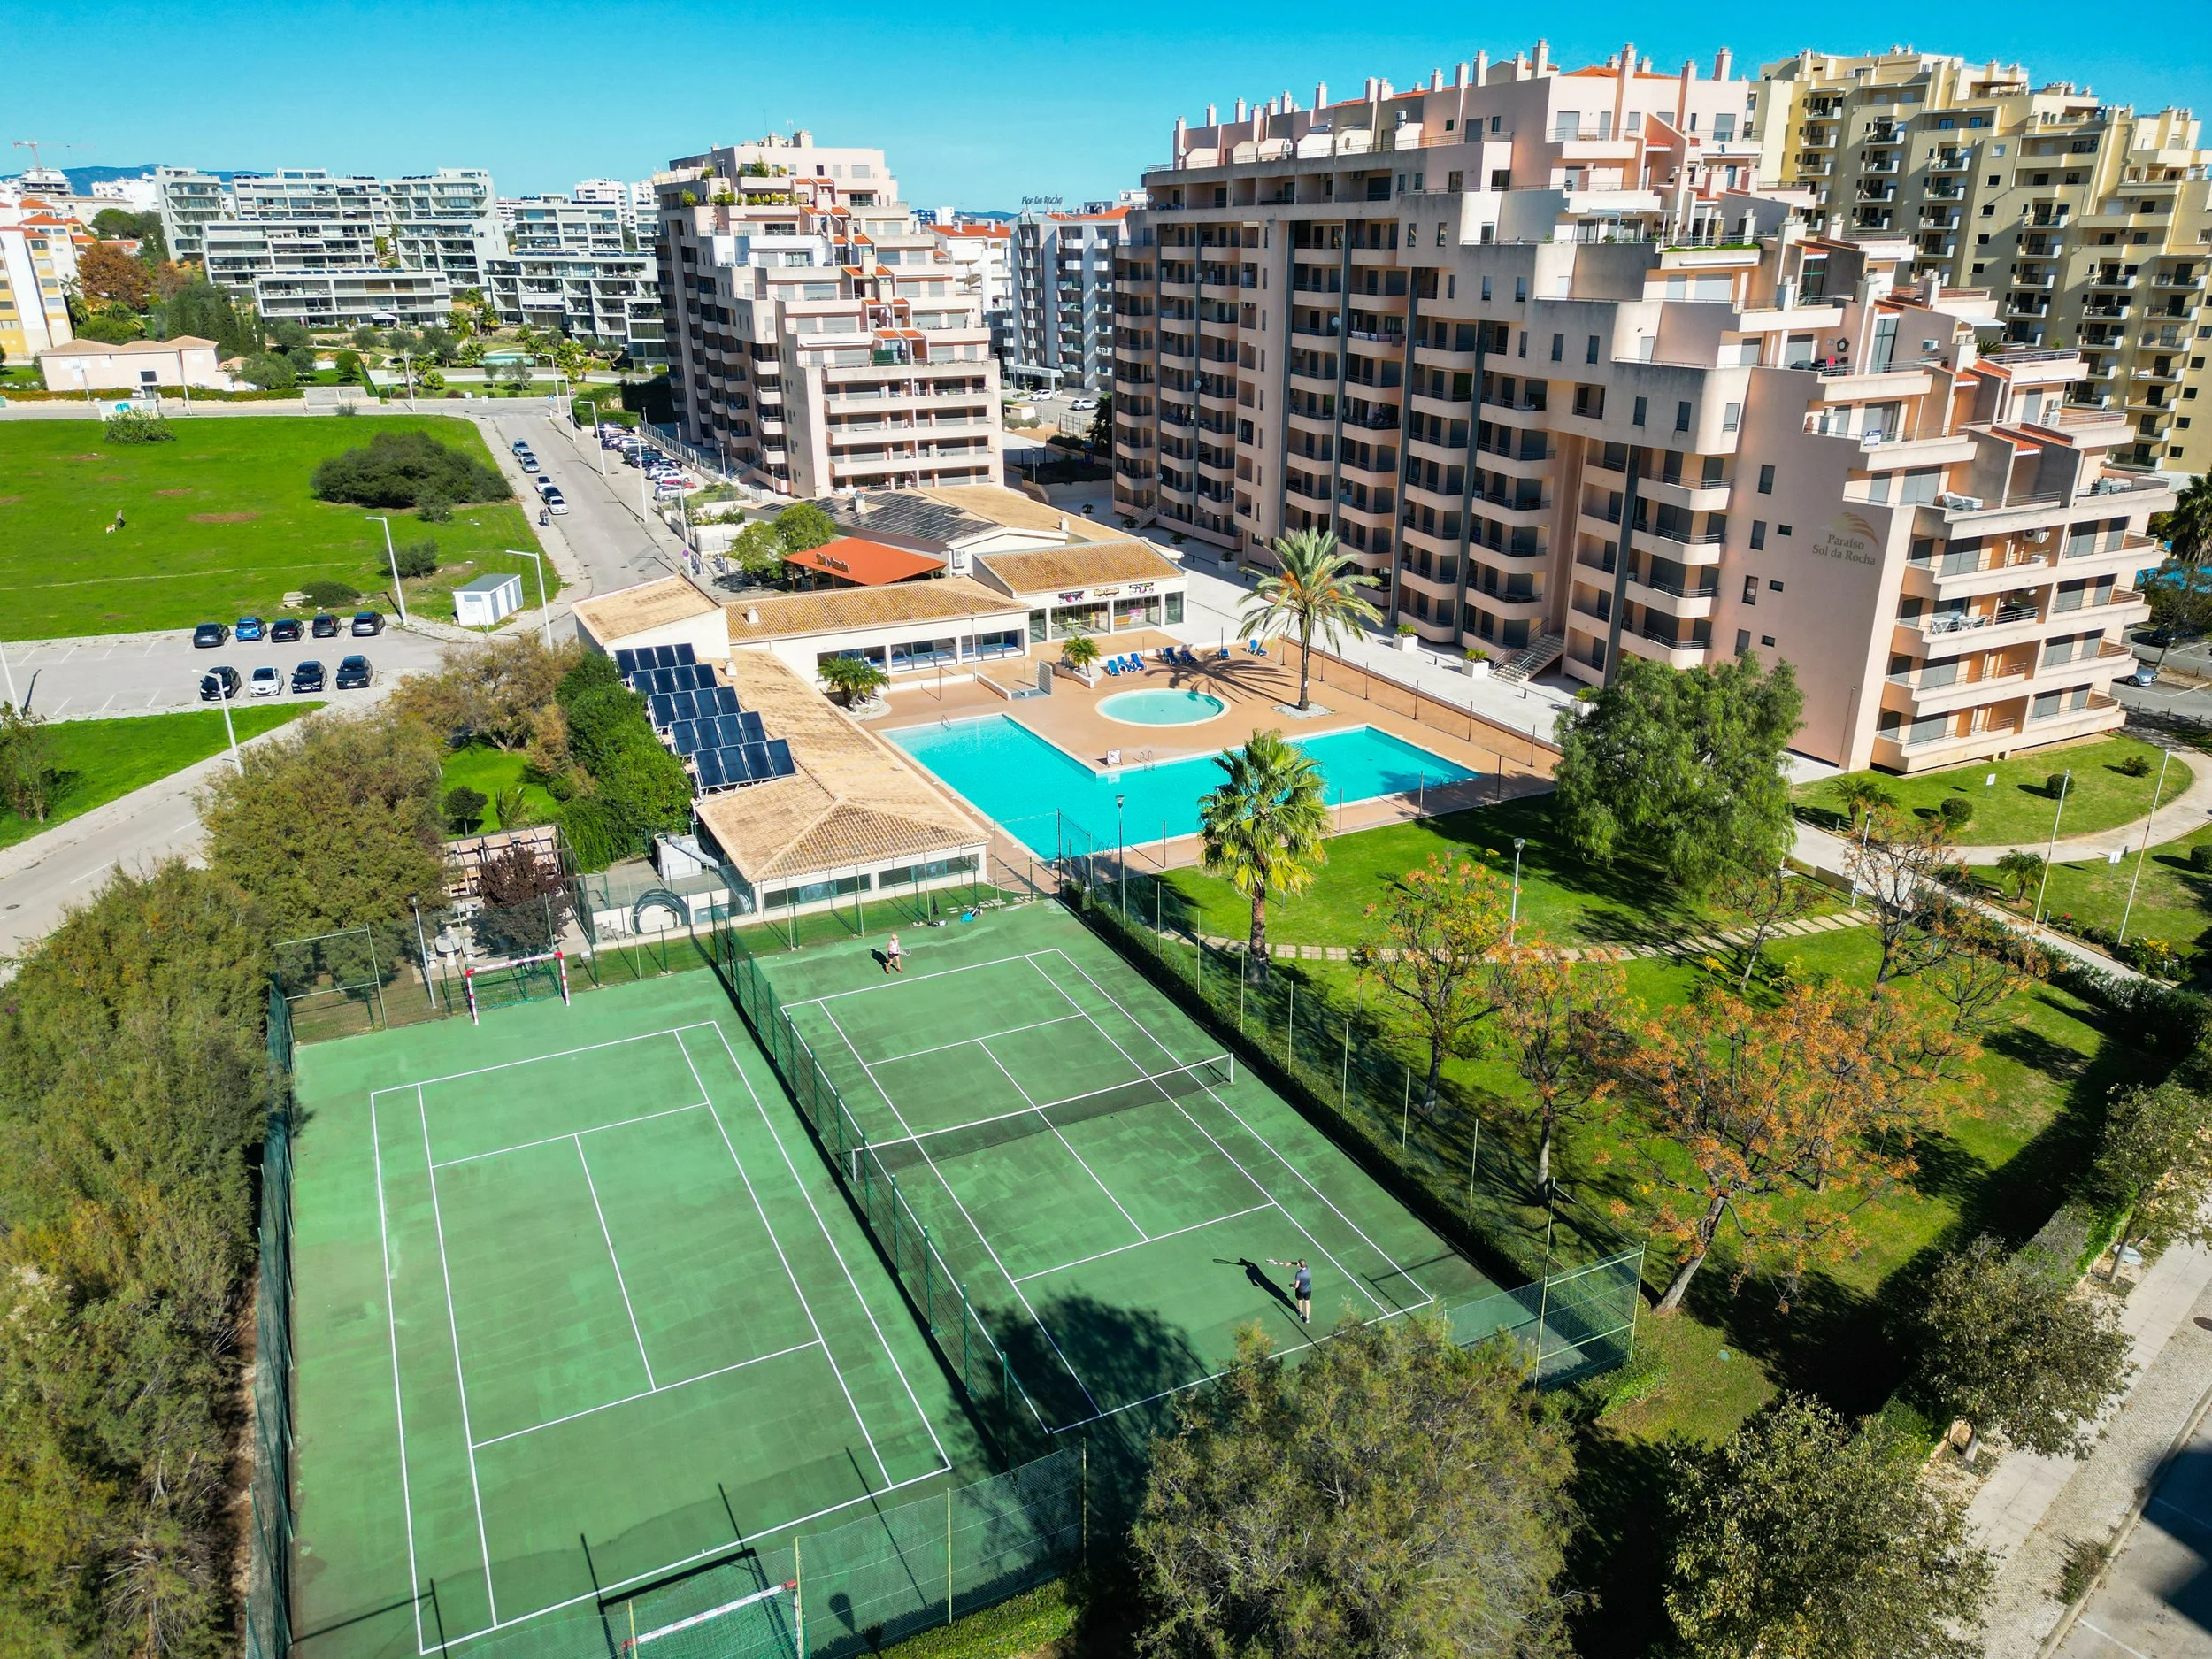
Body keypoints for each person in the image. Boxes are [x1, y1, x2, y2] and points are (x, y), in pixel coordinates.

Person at [1268, 1257, 1312, 1324]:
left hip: (1300, 1290)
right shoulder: (1308, 1269)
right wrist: (1291, 1263)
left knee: (1300, 1300)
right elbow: (1298, 1264)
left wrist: (1292, 1285)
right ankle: (1307, 1318)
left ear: (1300, 1265)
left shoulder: (1299, 1274)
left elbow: (1296, 1286)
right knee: (1307, 1302)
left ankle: (1300, 1312)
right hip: (1308, 1290)